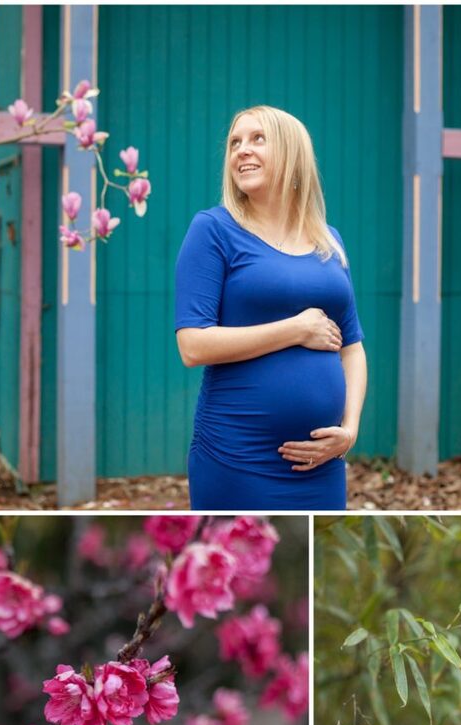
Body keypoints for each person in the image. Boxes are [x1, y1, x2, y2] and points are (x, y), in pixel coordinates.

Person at [174, 105, 367, 509]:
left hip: (323, 464)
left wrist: (349, 431)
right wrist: (295, 330)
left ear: (292, 152)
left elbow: (351, 347)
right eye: (234, 143)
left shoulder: (329, 241)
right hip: (237, 457)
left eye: (257, 139)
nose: (241, 150)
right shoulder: (213, 230)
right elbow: (193, 345)